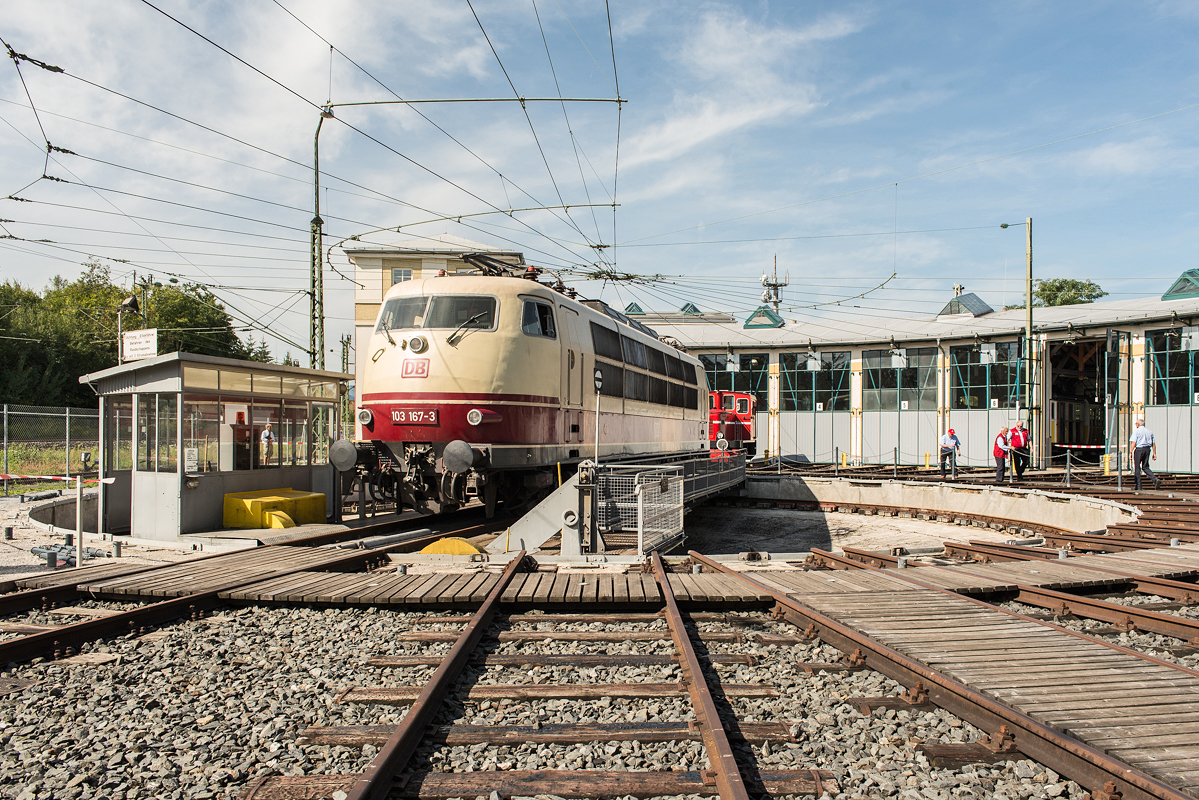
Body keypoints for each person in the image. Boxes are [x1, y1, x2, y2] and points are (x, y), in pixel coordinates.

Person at [1129, 418, 1159, 490]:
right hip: (1147, 449)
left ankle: (1138, 486)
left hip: (1139, 450)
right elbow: (1153, 443)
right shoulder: (1149, 432)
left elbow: (1134, 442)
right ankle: (1155, 479)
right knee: (1145, 466)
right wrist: (1154, 453)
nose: (1136, 425)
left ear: (1138, 424)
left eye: (1136, 423)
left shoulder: (1136, 431)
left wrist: (1130, 452)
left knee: (1137, 467)